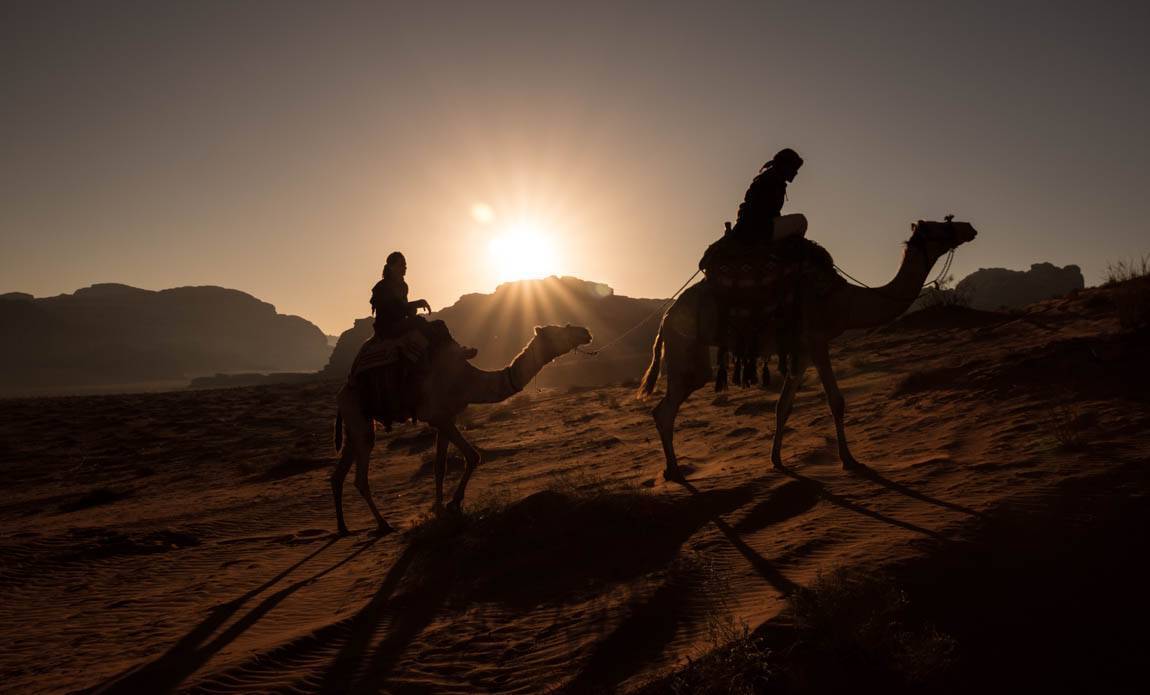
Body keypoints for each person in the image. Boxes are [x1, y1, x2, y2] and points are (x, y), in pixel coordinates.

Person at [370, 251, 477, 358]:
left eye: (405, 265)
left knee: (439, 324)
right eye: (401, 264)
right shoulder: (382, 287)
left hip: (401, 324)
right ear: (392, 267)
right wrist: (415, 305)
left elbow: (403, 308)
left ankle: (455, 349)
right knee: (419, 321)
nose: (405, 268)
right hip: (388, 328)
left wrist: (411, 310)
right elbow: (391, 310)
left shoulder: (403, 286)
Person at [730, 147, 807, 242]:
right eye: (794, 168)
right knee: (801, 221)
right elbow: (763, 210)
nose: (796, 172)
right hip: (758, 228)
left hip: (750, 227)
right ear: (785, 166)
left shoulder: (769, 178)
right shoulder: (773, 181)